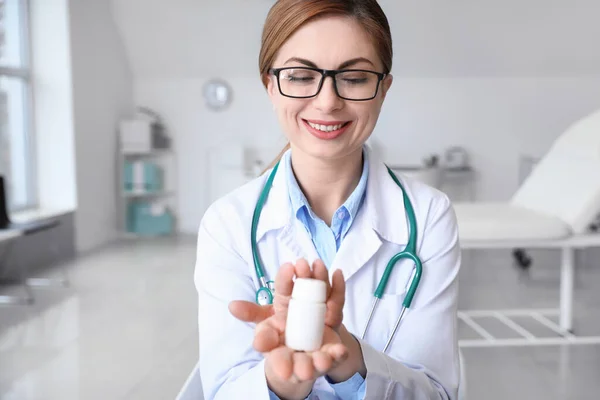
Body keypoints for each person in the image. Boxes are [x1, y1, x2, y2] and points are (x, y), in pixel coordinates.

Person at [194, 1, 461, 399]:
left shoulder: (428, 216)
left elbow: (437, 394)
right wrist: (282, 382)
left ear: (383, 90)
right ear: (270, 84)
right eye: (301, 76)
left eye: (353, 78)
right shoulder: (227, 224)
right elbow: (220, 392)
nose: (327, 101)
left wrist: (348, 358)